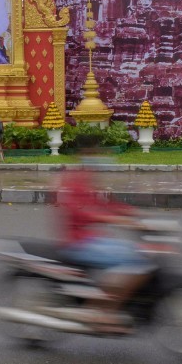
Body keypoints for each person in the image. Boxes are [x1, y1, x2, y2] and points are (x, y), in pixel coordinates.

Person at [54, 137, 153, 333]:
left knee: (139, 253)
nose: (97, 158)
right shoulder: (71, 180)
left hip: (94, 237)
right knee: (136, 262)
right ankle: (101, 311)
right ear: (83, 156)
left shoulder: (88, 179)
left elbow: (108, 203)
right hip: (79, 242)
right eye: (93, 154)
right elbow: (79, 210)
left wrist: (135, 215)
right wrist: (114, 220)